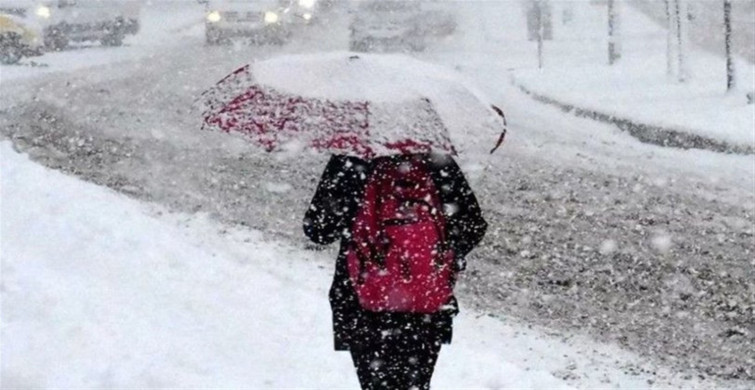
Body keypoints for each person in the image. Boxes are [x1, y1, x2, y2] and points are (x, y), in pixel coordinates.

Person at [303, 152, 487, 390]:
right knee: (415, 384)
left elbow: (319, 230)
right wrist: (431, 254)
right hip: (425, 302)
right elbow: (472, 226)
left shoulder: (353, 157)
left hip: (364, 302)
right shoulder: (434, 158)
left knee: (376, 383)